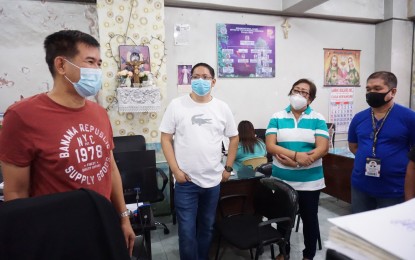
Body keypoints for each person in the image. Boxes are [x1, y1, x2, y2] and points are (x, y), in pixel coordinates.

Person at [0, 30, 135, 255]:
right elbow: (16, 194)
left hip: (103, 223)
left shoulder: (99, 113)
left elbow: (110, 169)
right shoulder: (22, 116)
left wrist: (123, 219)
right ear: (61, 65)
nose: (97, 71)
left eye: (99, 63)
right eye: (90, 62)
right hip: (57, 233)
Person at [160, 62, 238, 260]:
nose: (199, 80)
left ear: (213, 81)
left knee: (206, 228)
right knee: (186, 233)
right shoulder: (177, 105)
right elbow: (165, 138)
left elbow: (234, 137)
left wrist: (227, 168)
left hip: (213, 182)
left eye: (204, 76)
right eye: (195, 76)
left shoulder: (222, 107)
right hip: (186, 182)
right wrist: (176, 171)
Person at [265, 79, 329, 260]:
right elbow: (271, 145)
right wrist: (296, 155)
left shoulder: (317, 118)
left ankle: (308, 255)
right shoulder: (277, 116)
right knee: (283, 219)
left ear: (311, 99)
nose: (299, 95)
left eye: (304, 92)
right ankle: (283, 252)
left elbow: (322, 148)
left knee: (310, 219)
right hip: (282, 179)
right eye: (296, 90)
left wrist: (298, 163)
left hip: (310, 180)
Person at [348, 71, 415, 213]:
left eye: (377, 89)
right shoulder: (359, 118)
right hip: (361, 186)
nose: (371, 92)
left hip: (394, 188)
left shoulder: (409, 118)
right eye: (368, 89)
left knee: (389, 233)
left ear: (393, 91)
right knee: (361, 231)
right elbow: (353, 146)